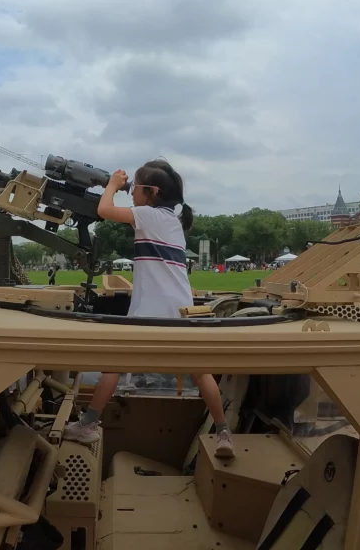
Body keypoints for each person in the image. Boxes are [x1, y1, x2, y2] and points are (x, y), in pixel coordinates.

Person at [63, 159, 235, 458]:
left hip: (150, 310)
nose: (131, 192)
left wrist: (112, 185)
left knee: (113, 365)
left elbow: (104, 210)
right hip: (180, 309)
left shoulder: (146, 215)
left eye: (135, 187)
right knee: (200, 373)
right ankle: (223, 433)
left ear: (152, 192)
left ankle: (87, 425)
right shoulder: (171, 220)